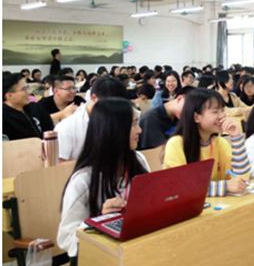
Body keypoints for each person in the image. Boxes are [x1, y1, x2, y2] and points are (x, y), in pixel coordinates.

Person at [57, 98, 150, 260]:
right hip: (103, 257)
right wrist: (99, 222)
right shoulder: (83, 180)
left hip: (137, 247)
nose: (140, 130)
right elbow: (66, 238)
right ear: (114, 130)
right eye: (134, 124)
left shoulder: (138, 160)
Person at [163, 88, 251, 196]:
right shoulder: (176, 144)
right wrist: (225, 187)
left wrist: (236, 137)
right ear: (196, 117)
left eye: (222, 110)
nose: (222, 116)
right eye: (215, 112)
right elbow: (181, 186)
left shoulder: (220, 143)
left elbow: (242, 179)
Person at [56, 76, 129, 161]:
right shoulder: (67, 127)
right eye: (110, 105)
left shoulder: (116, 119)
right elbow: (59, 165)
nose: (114, 110)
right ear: (94, 98)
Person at [138, 86, 195, 150]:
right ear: (179, 99)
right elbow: (158, 150)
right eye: (189, 107)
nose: (190, 112)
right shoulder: (150, 119)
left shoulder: (179, 117)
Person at [3, 73, 53, 140]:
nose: (28, 92)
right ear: (9, 95)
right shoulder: (4, 117)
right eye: (24, 89)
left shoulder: (35, 107)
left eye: (27, 88)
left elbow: (49, 130)